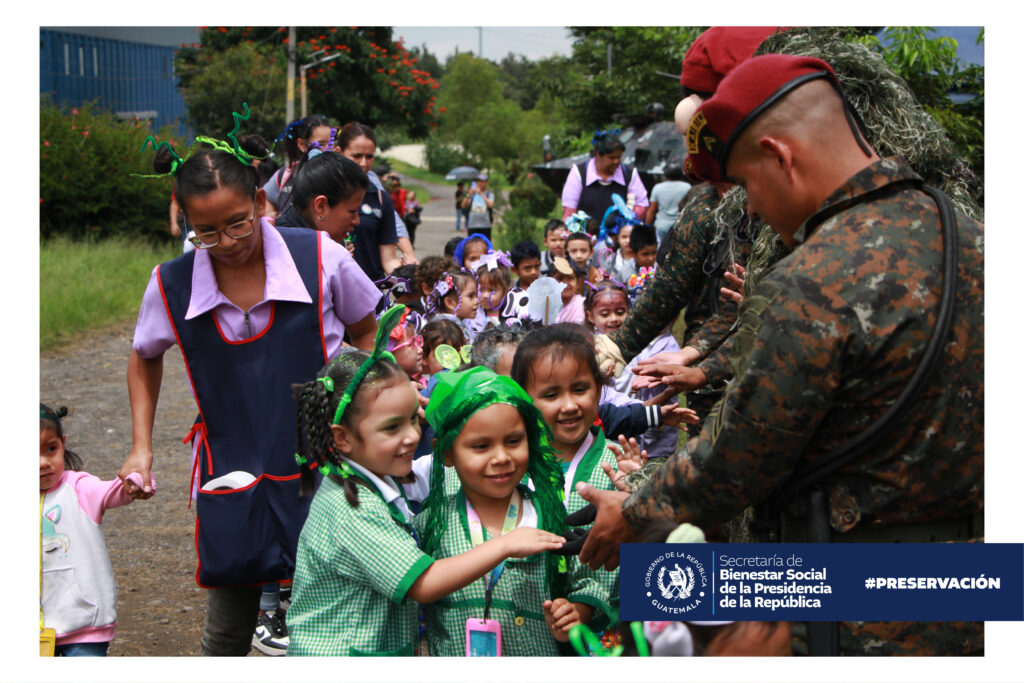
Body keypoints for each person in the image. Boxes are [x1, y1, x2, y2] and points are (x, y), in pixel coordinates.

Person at [575, 54, 985, 657]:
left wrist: (632, 513)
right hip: (980, 586)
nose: (753, 210)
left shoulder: (814, 277)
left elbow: (742, 455)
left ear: (780, 156)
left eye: (744, 186)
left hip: (855, 604)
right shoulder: (971, 237)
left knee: (660, 599)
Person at [122, 136, 381, 656]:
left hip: (324, 463)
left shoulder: (319, 258)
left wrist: (373, 411)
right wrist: (140, 445)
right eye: (207, 232)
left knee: (327, 614)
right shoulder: (171, 284)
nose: (230, 240)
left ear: (261, 203)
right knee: (228, 628)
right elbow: (145, 354)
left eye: (239, 221)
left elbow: (367, 332)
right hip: (234, 467)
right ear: (186, 224)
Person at [285, 322, 567, 656]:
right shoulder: (352, 506)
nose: (412, 437)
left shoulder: (374, 486)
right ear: (342, 438)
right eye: (392, 427)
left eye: (413, 419)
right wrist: (505, 545)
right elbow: (424, 584)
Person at [417, 367, 611, 654]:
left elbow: (587, 582)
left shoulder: (551, 516)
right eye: (481, 446)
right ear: (447, 453)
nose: (501, 458)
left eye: (513, 441)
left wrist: (574, 613)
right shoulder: (431, 524)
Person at [40, 404, 154, 657]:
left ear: (63, 444)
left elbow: (113, 492)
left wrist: (134, 482)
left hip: (84, 624)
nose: (43, 463)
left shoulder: (78, 488)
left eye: (51, 449)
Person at [336, 122, 404, 278]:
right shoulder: (322, 194)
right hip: (333, 292)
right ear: (339, 153)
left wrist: (407, 277)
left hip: (372, 291)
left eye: (369, 156)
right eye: (357, 156)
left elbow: (389, 259)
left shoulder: (380, 198)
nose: (363, 163)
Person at [274, 150, 367, 251]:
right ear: (321, 206)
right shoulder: (285, 246)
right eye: (352, 211)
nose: (357, 221)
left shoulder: (325, 242)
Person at [560, 129, 649, 233]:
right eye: (611, 158)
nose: (616, 161)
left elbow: (642, 204)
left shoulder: (629, 174)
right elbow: (569, 211)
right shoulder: (579, 173)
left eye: (619, 157)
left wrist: (627, 222)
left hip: (617, 236)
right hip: (586, 237)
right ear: (598, 154)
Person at [262, 115, 332, 215]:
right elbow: (263, 199)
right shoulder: (285, 175)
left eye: (330, 144)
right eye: (320, 144)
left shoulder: (338, 176)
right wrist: (271, 214)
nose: (327, 149)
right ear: (302, 145)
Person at [645, 165, 691, 242]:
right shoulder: (687, 187)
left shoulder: (657, 187)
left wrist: (646, 227)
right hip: (679, 225)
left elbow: (652, 209)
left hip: (661, 226)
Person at [462, 174, 495, 241]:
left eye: (482, 181)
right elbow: (463, 205)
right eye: (479, 181)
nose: (480, 183)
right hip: (472, 224)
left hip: (485, 225)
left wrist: (481, 193)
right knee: (472, 246)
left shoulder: (490, 193)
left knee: (485, 246)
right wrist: (469, 194)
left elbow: (490, 205)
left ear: (486, 183)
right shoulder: (473, 194)